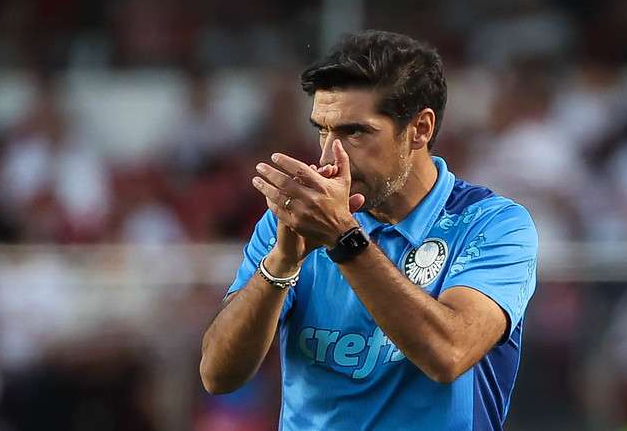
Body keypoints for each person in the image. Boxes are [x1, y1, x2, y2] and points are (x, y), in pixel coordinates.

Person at [200, 30, 538, 430]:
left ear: (420, 129)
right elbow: (218, 375)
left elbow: (449, 353)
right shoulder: (293, 223)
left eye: (355, 132)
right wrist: (281, 263)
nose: (328, 155)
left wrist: (345, 239)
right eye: (322, 130)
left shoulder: (493, 224)